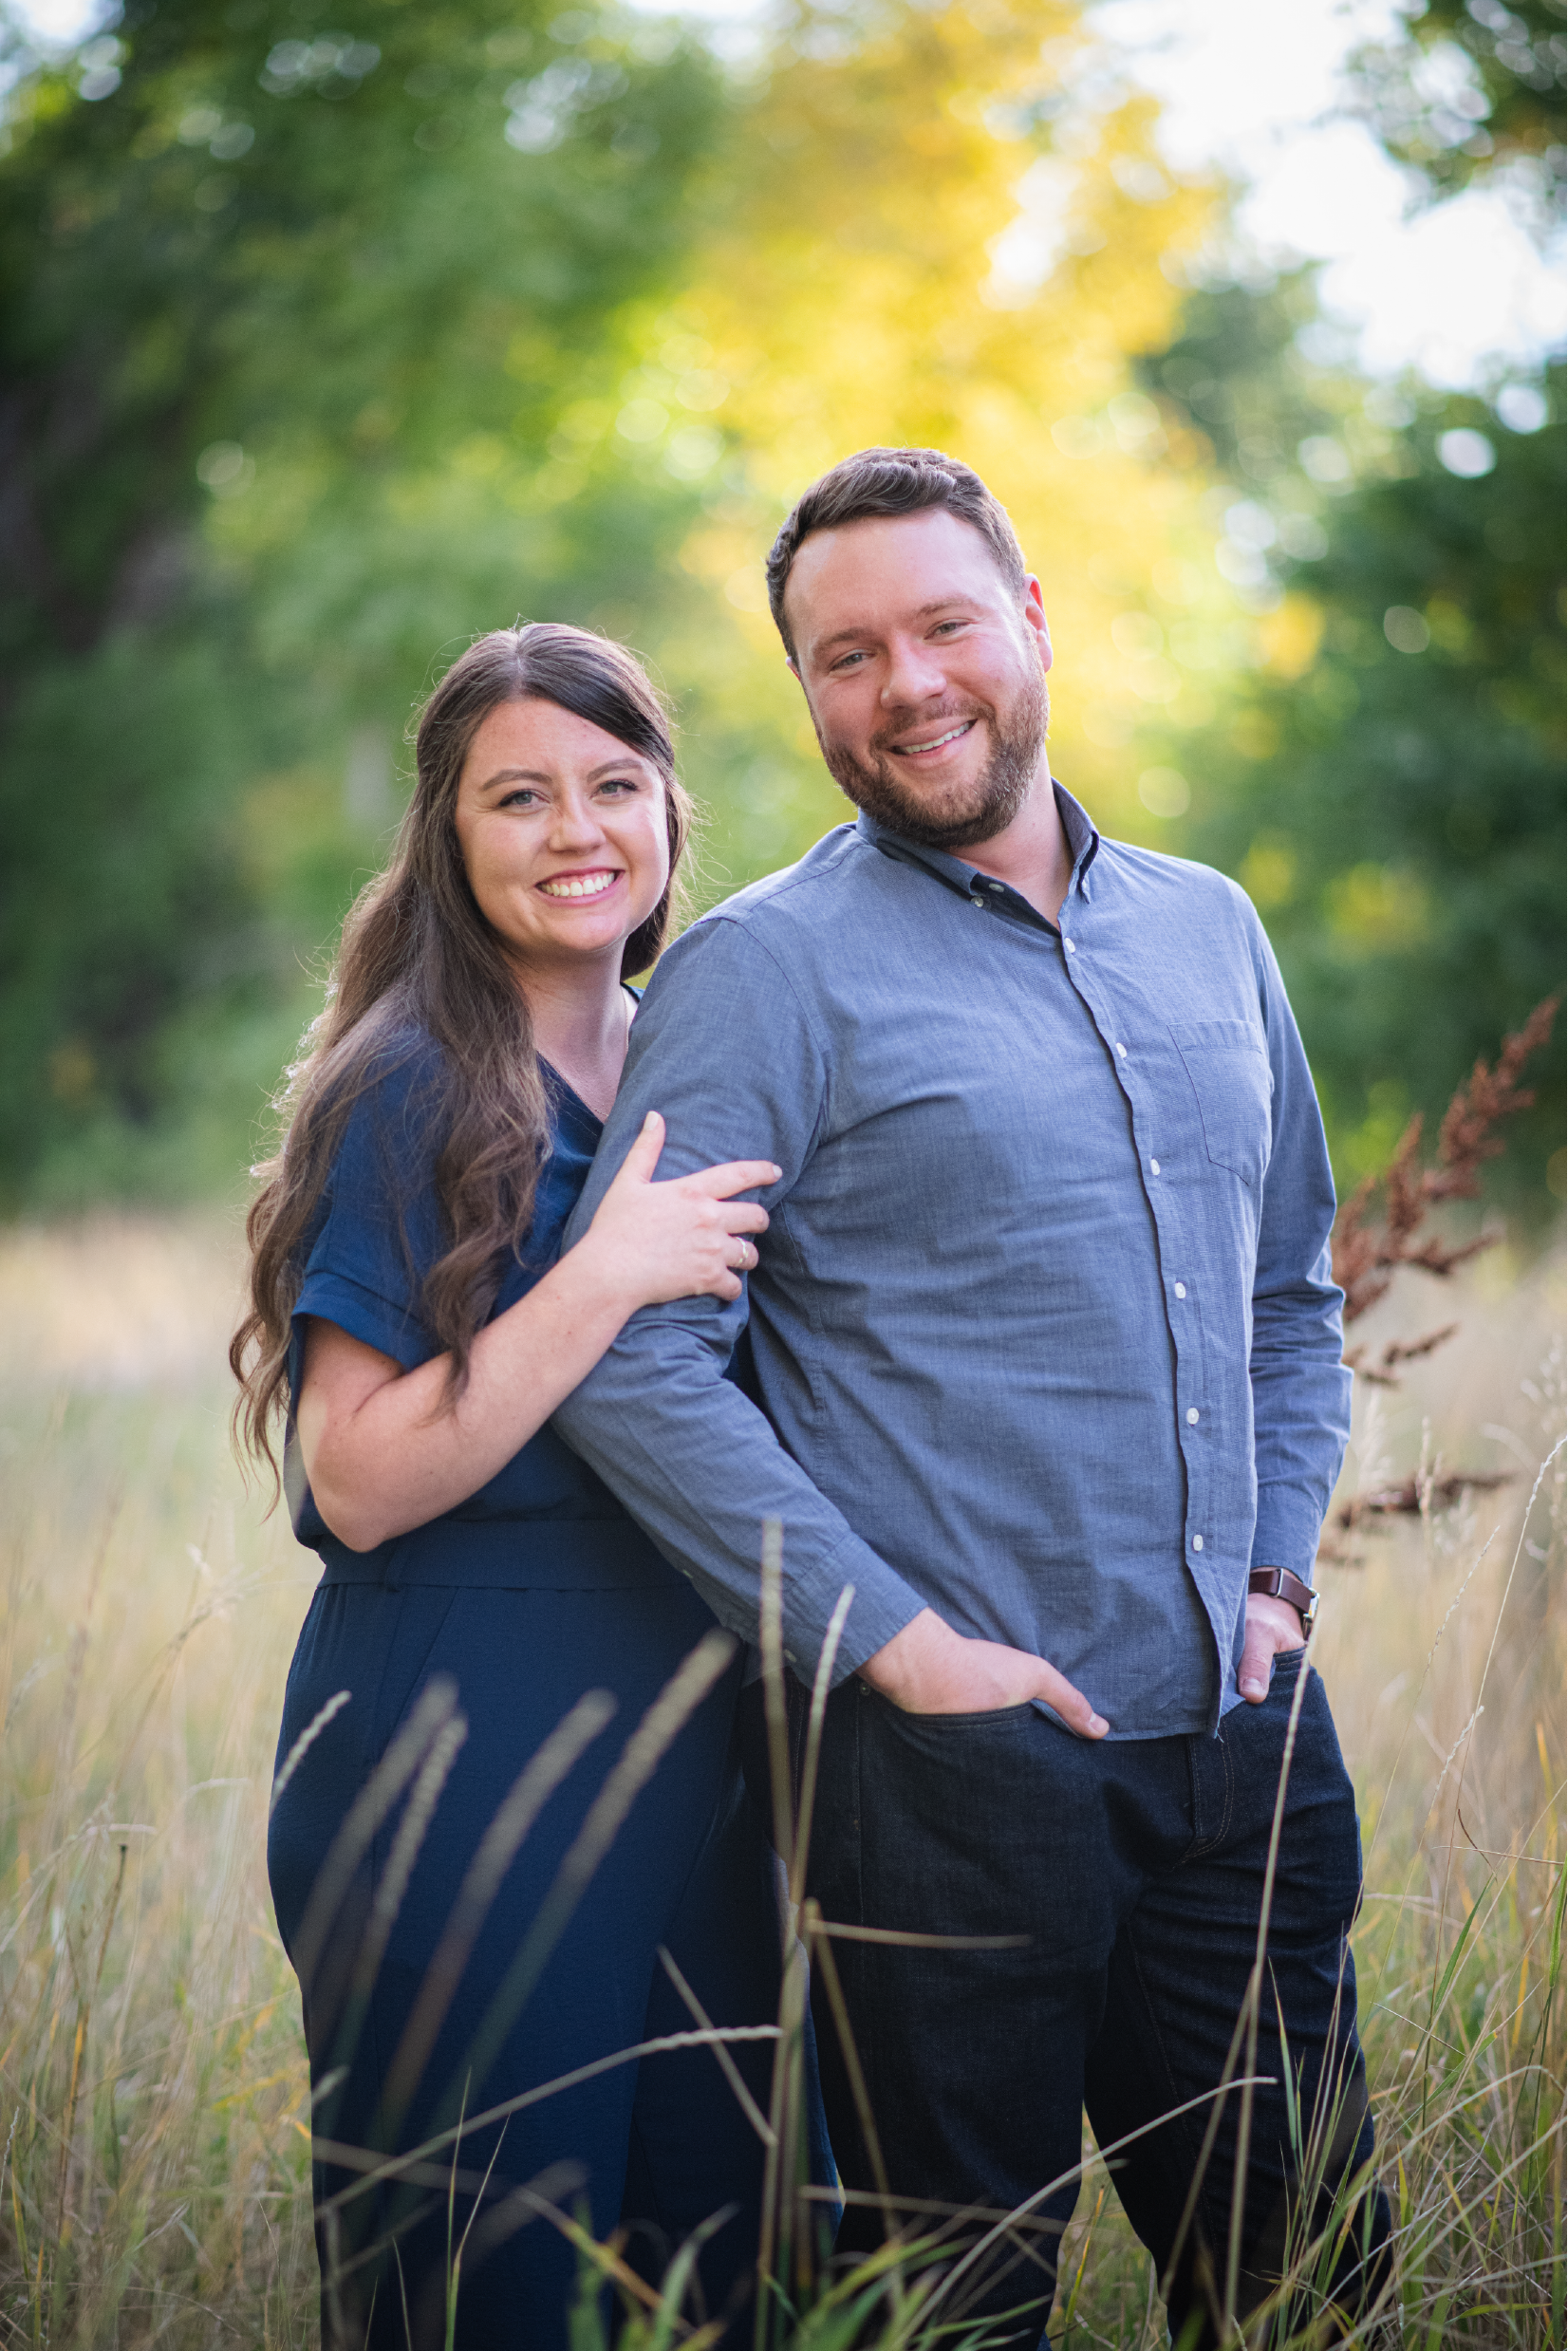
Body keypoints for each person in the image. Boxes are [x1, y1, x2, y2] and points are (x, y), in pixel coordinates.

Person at [553, 450, 1394, 2344]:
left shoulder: (1210, 929)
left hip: (1241, 1746)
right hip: (942, 1775)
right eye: (844, 656)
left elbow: (1284, 1295)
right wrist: (902, 1647)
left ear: (1032, 618)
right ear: (806, 696)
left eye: (942, 624)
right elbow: (622, 1344)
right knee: (950, 2314)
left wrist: (1273, 1573)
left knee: (1310, 2290)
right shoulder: (765, 972)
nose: (906, 684)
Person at [232, 625, 788, 2351]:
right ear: (448, 837)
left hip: (707, 1769)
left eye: (613, 786)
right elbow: (363, 1475)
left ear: (671, 811)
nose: (576, 831)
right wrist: (605, 1273)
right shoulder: (414, 1078)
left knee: (731, 2285)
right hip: (465, 1764)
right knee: (493, 2293)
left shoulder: (702, 1052)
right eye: (519, 797)